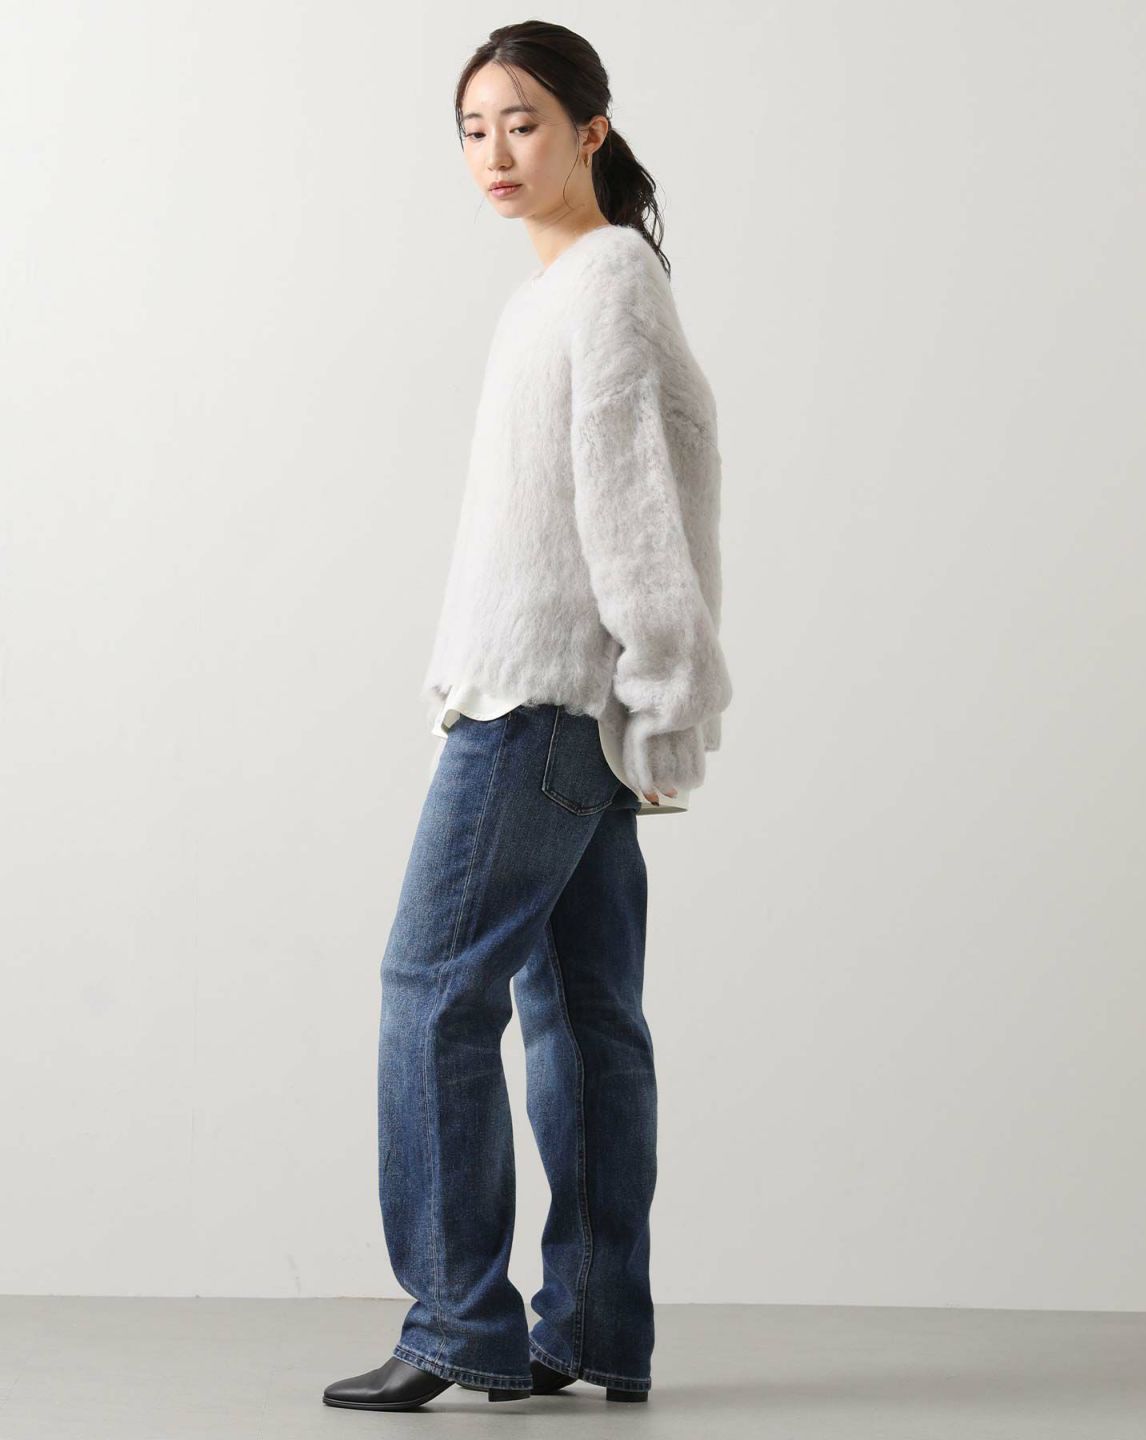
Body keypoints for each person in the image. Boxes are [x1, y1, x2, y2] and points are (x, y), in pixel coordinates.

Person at [323, 20, 732, 1414]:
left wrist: (665, 698)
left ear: (589, 133)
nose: (495, 153)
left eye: (524, 123)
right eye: (473, 129)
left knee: (430, 991)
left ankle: (458, 1323)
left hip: (540, 704)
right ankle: (596, 1328)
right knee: (584, 1018)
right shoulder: (565, 292)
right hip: (562, 703)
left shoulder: (604, 285)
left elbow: (635, 513)